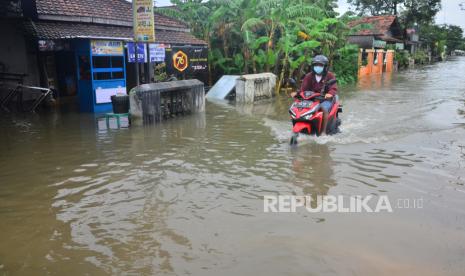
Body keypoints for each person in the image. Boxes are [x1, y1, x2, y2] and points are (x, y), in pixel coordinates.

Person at [291, 55, 338, 135]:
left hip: (324, 99)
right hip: (311, 99)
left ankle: (323, 132)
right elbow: (303, 89)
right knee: (297, 107)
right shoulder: (309, 76)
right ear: (313, 66)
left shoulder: (329, 75)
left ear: (325, 66)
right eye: (316, 65)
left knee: (324, 109)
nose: (318, 67)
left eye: (320, 65)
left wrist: (330, 93)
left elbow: (333, 88)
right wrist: (297, 93)